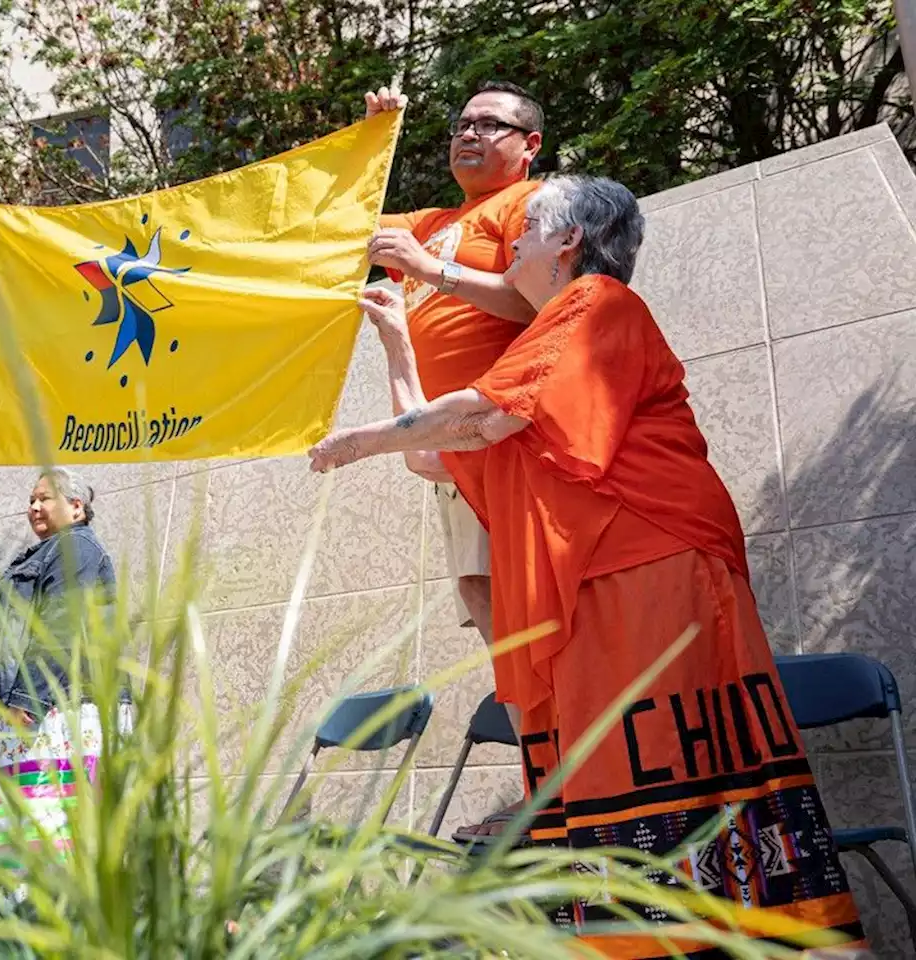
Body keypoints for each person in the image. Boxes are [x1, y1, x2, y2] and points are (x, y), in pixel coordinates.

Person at [308, 177, 865, 954]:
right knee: (605, 772)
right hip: (593, 588)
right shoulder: (546, 333)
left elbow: (483, 415)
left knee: (668, 762)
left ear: (567, 242)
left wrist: (359, 439)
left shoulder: (598, 302)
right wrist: (399, 342)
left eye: (525, 235)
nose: (514, 249)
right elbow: (438, 453)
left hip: (649, 565)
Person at [363, 81, 542, 838]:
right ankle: (546, 782)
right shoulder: (430, 219)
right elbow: (337, 223)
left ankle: (564, 786)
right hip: (448, 451)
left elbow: (540, 299)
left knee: (534, 618)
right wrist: (372, 141)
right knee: (489, 606)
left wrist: (430, 271)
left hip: (509, 441)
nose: (467, 134)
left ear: (528, 145)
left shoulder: (530, 207)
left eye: (489, 124)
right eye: (460, 124)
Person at [0, 467, 131, 874]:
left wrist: (26, 699)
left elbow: (60, 626)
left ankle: (45, 927)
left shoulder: (75, 550)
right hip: (36, 707)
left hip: (58, 708)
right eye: (31, 500)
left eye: (45, 498)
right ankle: (23, 925)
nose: (34, 506)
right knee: (19, 833)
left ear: (77, 508)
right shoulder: (46, 554)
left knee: (48, 835)